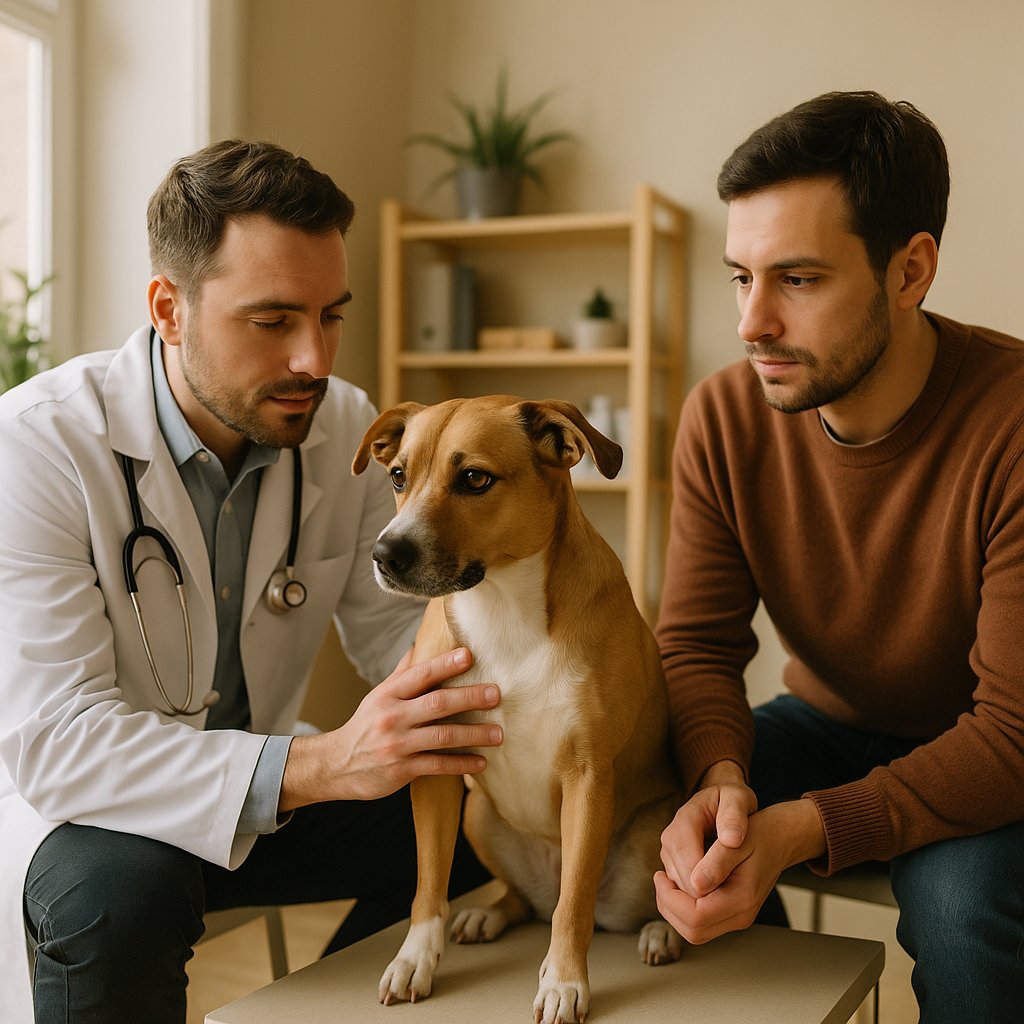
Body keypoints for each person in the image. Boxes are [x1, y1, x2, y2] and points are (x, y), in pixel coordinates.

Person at [0, 139, 502, 1024]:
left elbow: (404, 641)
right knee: (121, 898)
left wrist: (545, 693)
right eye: (273, 322)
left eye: (330, 315)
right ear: (170, 309)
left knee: (483, 826)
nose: (316, 358)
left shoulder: (341, 427)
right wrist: (326, 762)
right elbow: (59, 745)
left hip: (265, 790)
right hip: (88, 810)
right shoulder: (36, 446)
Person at [653, 91, 1024, 1022]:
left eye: (798, 279)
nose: (752, 322)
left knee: (959, 906)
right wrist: (722, 782)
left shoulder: (1014, 423)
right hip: (825, 724)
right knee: (658, 816)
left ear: (911, 270)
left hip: (992, 743)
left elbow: (1013, 734)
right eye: (741, 277)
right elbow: (695, 646)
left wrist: (804, 828)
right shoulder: (723, 418)